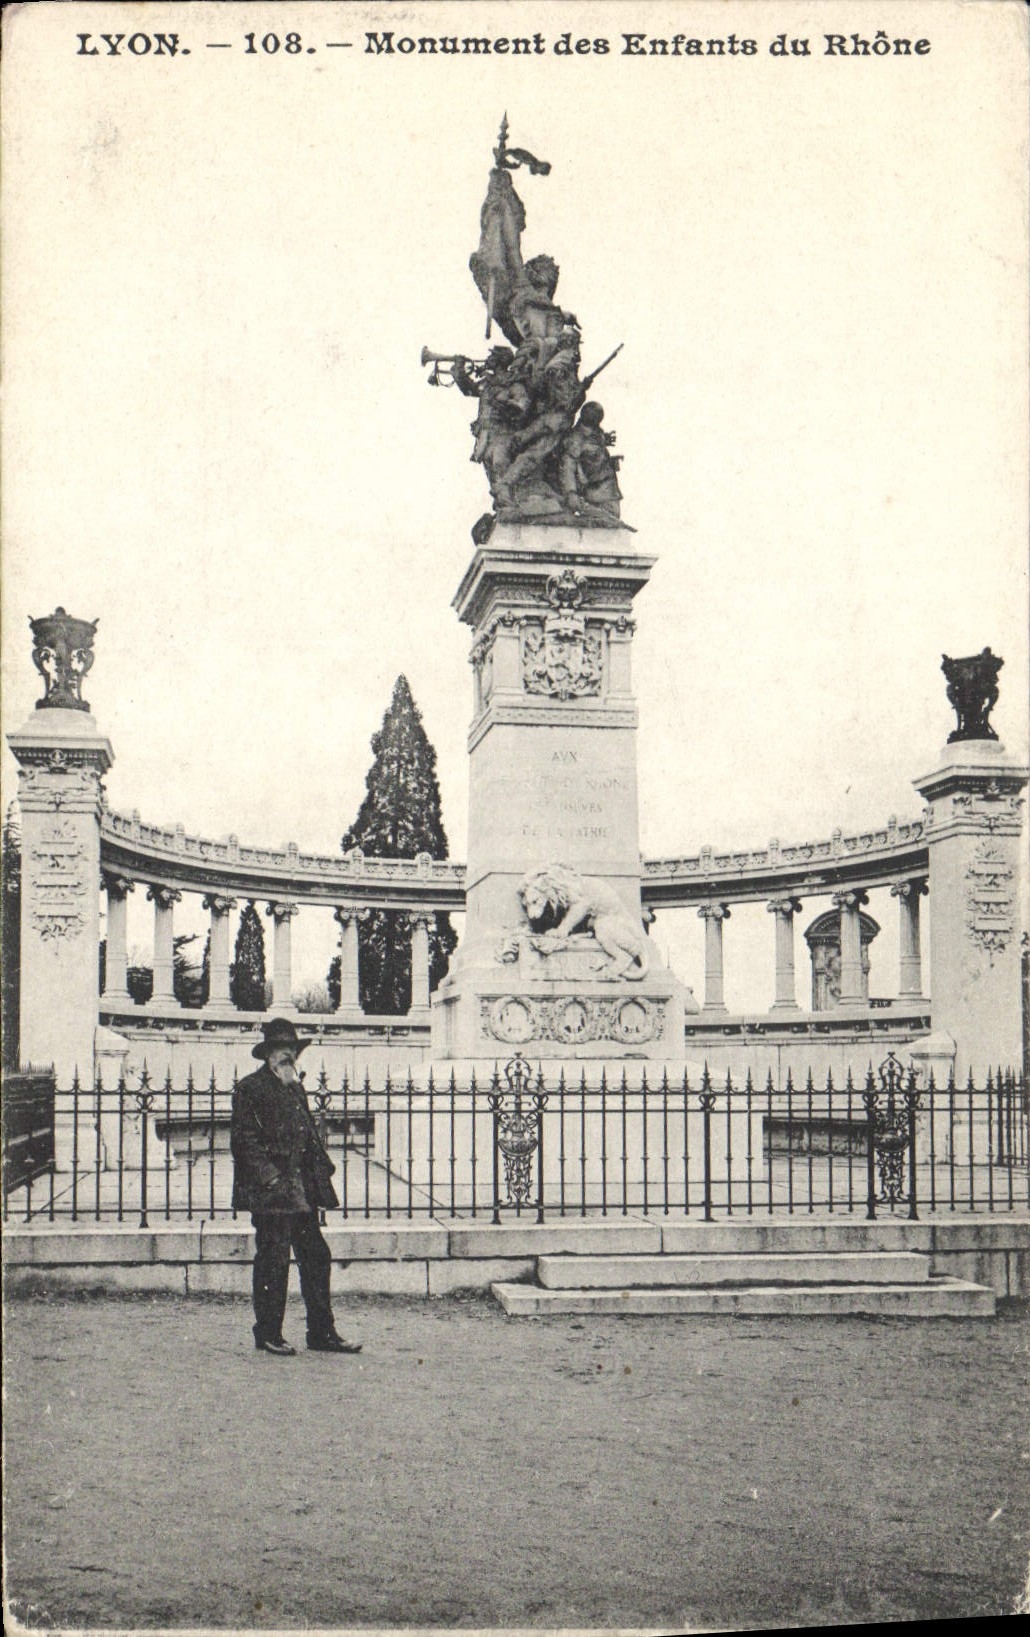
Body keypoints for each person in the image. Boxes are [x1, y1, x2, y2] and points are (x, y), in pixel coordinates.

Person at [230, 1017, 361, 1356]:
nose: (288, 1055)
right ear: (268, 1054)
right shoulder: (250, 1088)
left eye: (292, 1049)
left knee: (316, 1256)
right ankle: (268, 1332)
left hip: (301, 1191)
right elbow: (244, 1142)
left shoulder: (295, 1088)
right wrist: (271, 1178)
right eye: (280, 1050)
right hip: (272, 1193)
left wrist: (320, 1175)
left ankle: (322, 1332)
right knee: (273, 1260)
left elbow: (308, 1136)